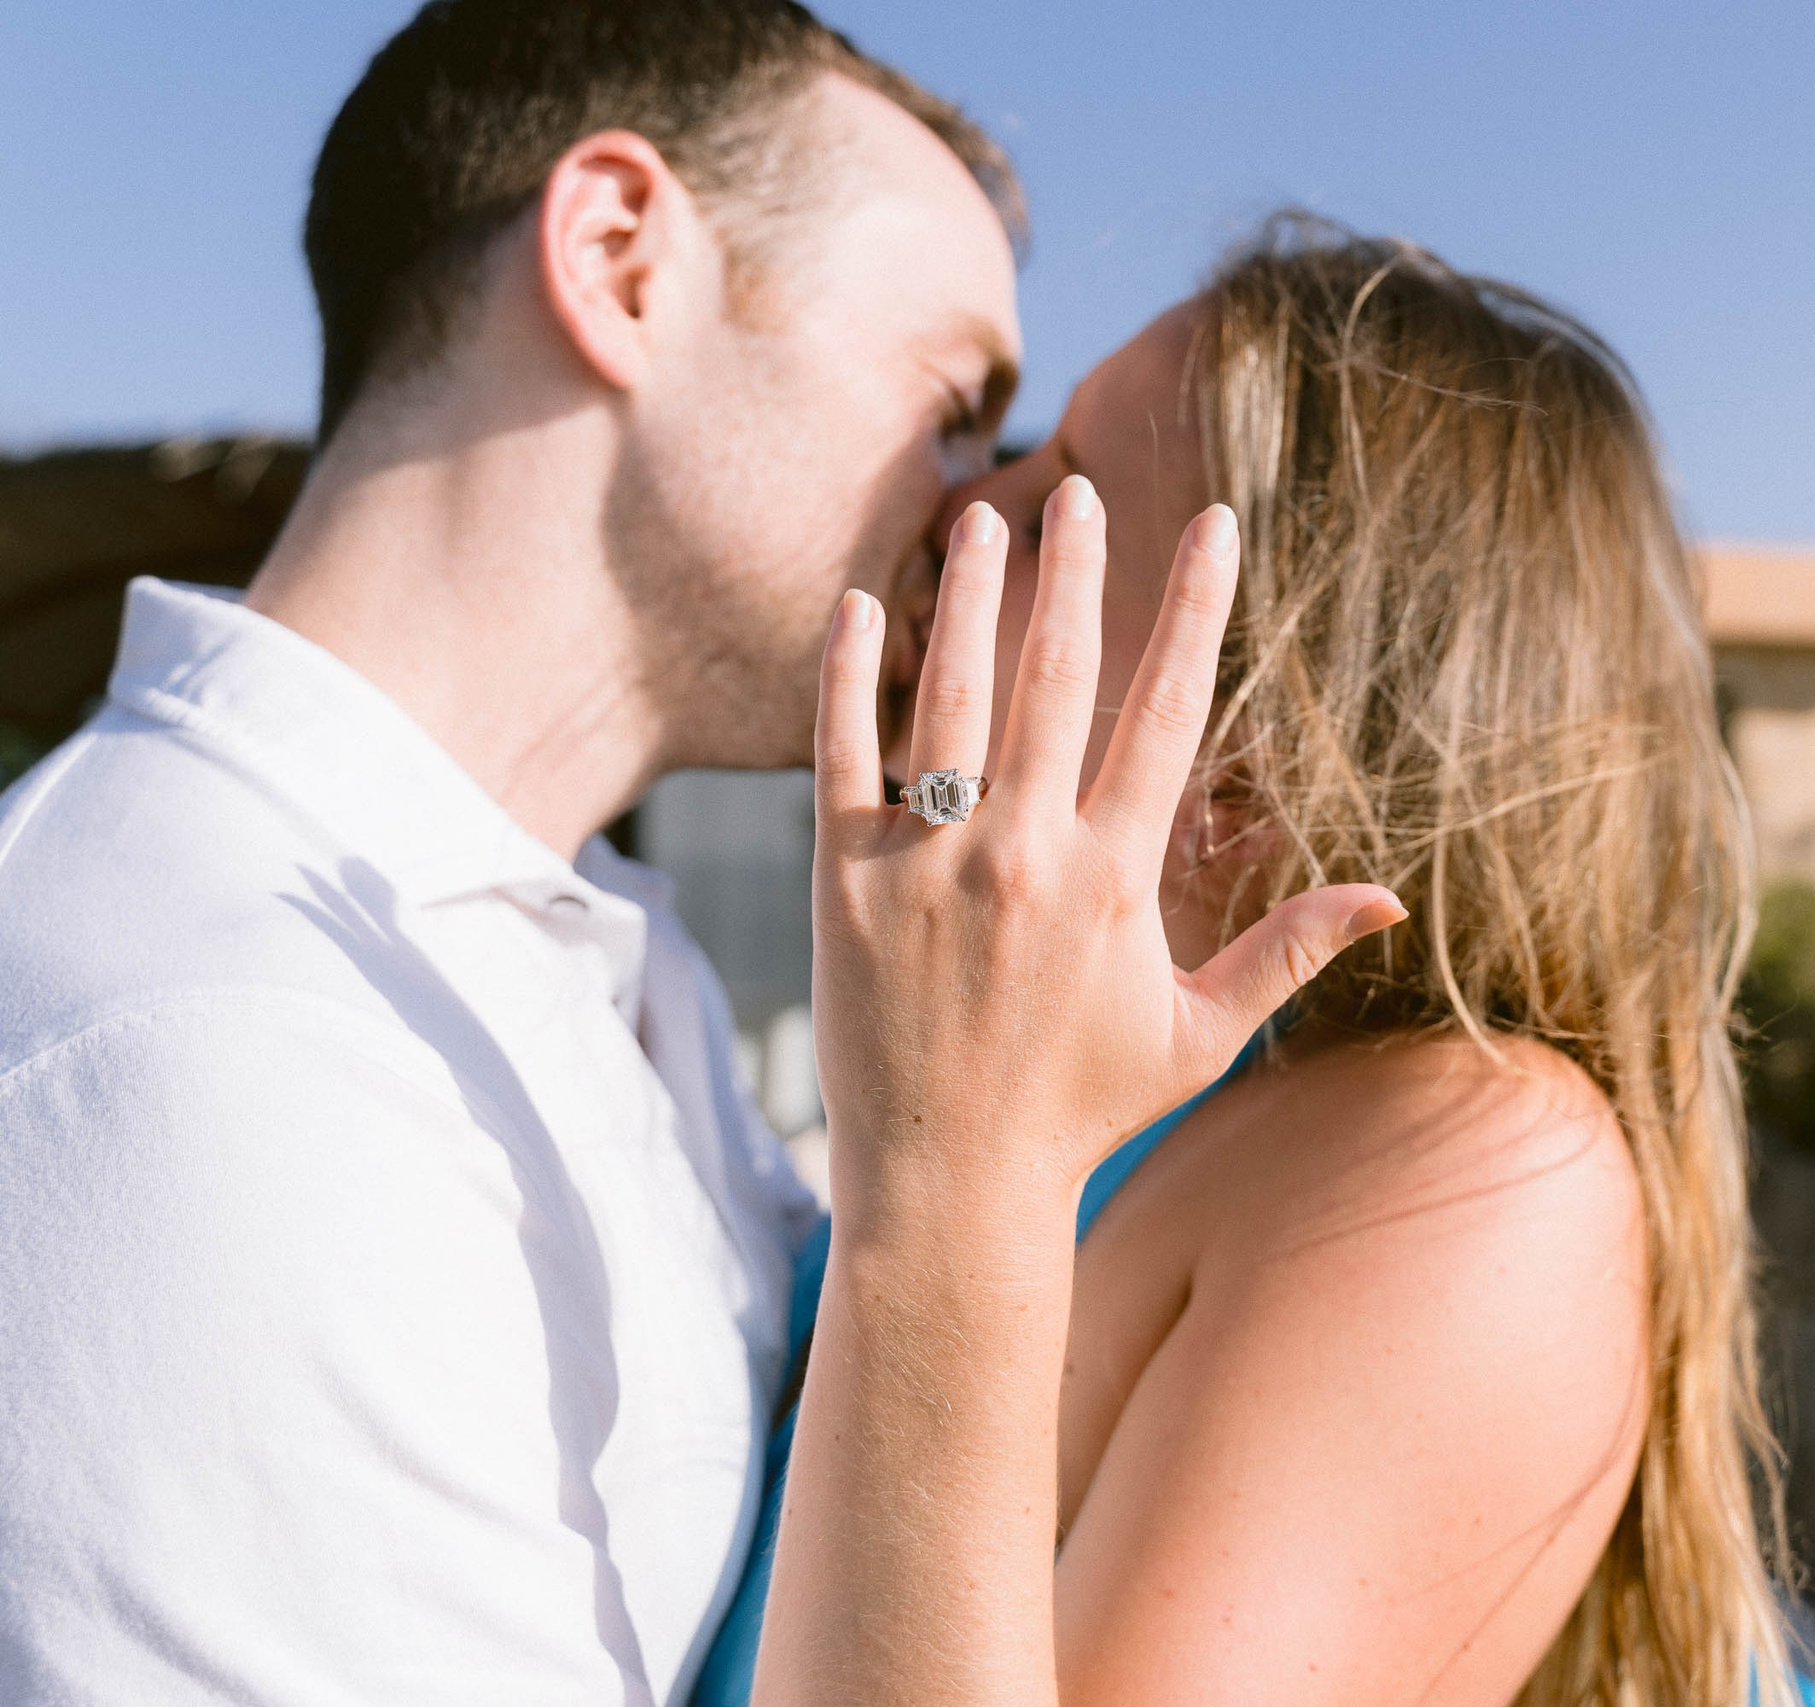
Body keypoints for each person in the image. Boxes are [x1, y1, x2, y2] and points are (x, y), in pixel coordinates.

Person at [0, 4, 1353, 1701]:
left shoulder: (612, 952)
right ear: (622, 258)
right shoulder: (217, 1064)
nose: (973, 508)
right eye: (954, 402)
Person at [718, 225, 1815, 1706]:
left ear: (1250, 763)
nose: (963, 508)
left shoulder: (1470, 1172)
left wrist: (945, 1178)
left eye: (1060, 510)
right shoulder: (1144, 1124)